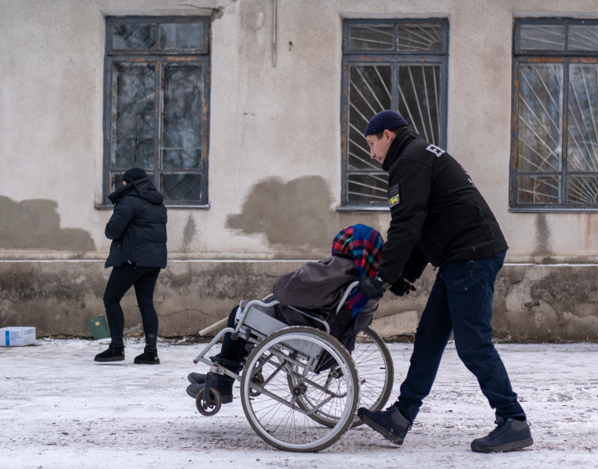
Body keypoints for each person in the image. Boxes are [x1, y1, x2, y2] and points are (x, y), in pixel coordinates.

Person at [355, 110, 532, 454]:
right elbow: (425, 223)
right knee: (430, 337)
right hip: (461, 256)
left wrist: (383, 277)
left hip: (471, 256)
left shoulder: (409, 161)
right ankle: (402, 416)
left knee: (473, 344)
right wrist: (407, 273)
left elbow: (406, 225)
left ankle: (513, 420)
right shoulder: (418, 155)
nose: (371, 153)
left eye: (372, 144)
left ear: (388, 135)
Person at [185, 224, 383, 404]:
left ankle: (222, 382)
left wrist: (287, 279)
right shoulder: (366, 277)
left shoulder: (339, 269)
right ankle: (223, 371)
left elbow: (289, 288)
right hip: (324, 327)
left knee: (240, 313)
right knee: (251, 316)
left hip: (304, 323)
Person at [94, 168, 168, 364]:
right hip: (154, 260)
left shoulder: (128, 200)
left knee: (111, 298)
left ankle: (116, 348)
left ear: (128, 183)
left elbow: (112, 231)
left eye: (124, 183)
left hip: (133, 259)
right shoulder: (157, 202)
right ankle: (151, 352)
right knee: (146, 303)